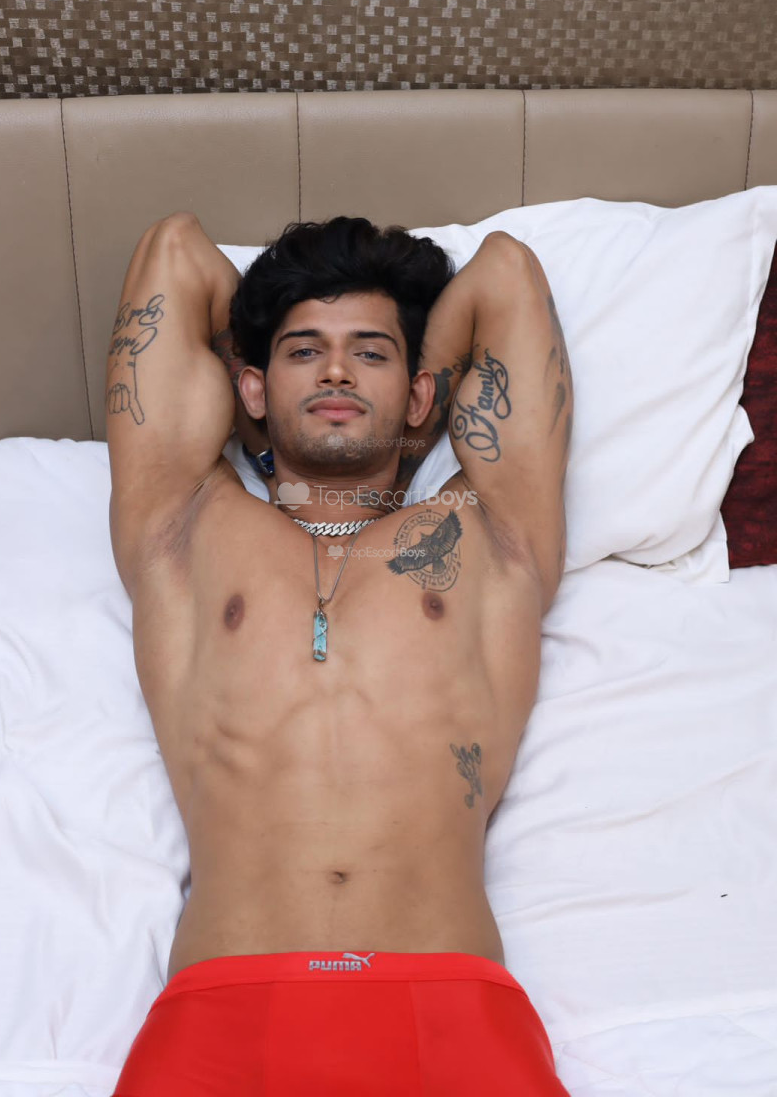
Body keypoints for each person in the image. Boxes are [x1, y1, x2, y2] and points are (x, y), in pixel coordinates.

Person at [106, 211, 573, 1096]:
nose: (334, 371)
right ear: (250, 386)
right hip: (222, 1012)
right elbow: (175, 250)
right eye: (303, 352)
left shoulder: (489, 534)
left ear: (422, 393)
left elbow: (506, 274)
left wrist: (407, 426)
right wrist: (271, 426)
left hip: (449, 1007)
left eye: (370, 352)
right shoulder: (185, 526)